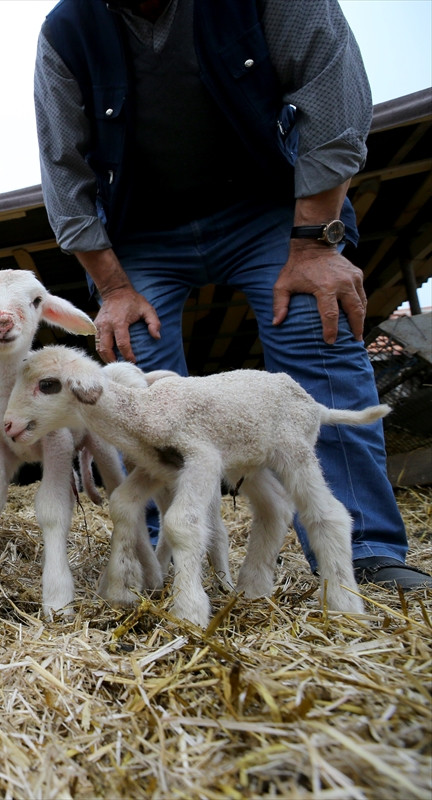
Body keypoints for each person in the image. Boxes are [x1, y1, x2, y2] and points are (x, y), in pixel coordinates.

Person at [33, 0, 430, 590]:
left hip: (269, 206)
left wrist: (316, 242)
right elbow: (64, 169)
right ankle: (154, 563)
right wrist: (113, 287)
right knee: (129, 358)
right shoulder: (67, 31)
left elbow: (332, 91)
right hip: (142, 228)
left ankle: (365, 554)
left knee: (312, 318)